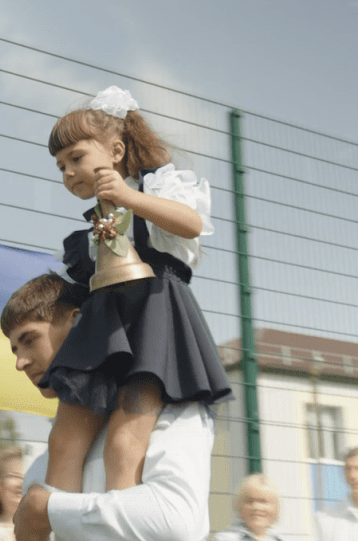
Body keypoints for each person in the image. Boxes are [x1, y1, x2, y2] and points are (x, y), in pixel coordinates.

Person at [40, 85, 232, 495]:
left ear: (114, 150)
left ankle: (117, 524)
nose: (68, 172)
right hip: (103, 325)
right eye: (60, 166)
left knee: (124, 443)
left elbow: (192, 223)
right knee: (63, 440)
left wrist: (129, 196)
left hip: (154, 318)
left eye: (76, 158)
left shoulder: (157, 188)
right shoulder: (88, 230)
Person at [1, 272, 215, 541]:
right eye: (15, 350)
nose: (20, 363)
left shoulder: (175, 412)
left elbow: (176, 519)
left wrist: (49, 508)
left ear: (77, 322)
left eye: (29, 340)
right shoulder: (45, 460)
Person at [212, 473, 283, 541]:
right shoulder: (224, 539)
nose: (256, 507)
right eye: (249, 501)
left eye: (263, 501)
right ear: (240, 507)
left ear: (275, 508)